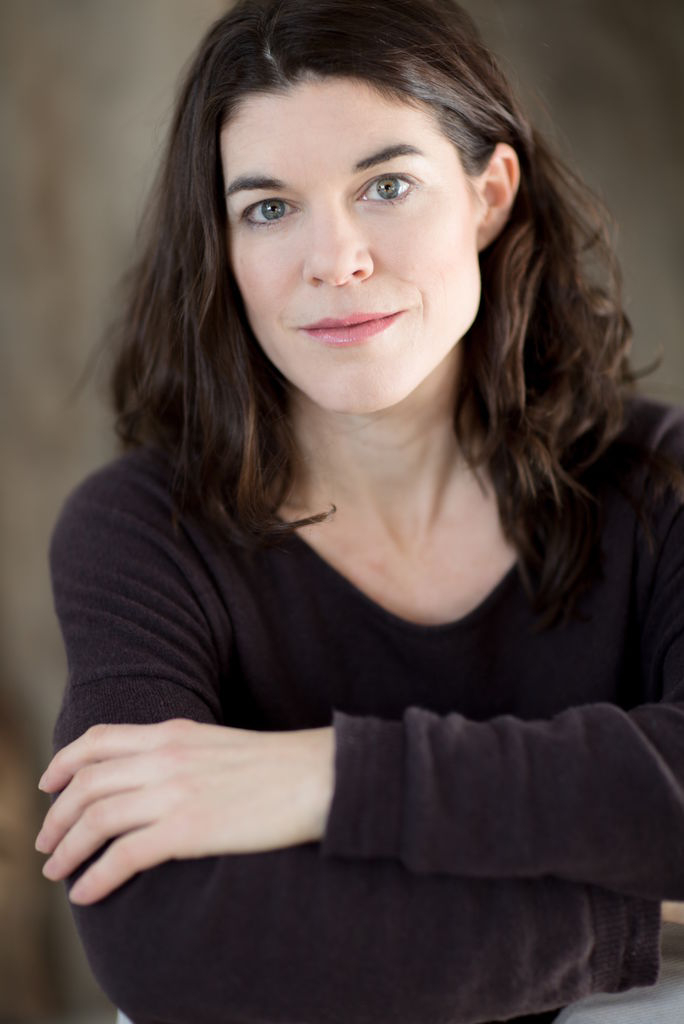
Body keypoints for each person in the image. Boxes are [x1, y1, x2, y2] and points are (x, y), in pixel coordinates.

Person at [35, 1, 684, 1022]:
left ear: (489, 195)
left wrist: (332, 776)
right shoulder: (142, 531)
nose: (335, 261)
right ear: (222, 247)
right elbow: (167, 944)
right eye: (268, 208)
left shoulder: (660, 479)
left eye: (386, 186)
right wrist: (638, 919)